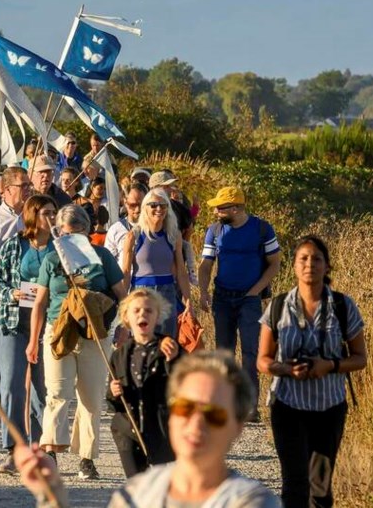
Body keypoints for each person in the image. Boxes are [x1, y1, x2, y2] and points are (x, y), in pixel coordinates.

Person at [15, 350, 280, 508]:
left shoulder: (251, 502)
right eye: (185, 408)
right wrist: (52, 494)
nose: (196, 422)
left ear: (238, 426)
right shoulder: (135, 493)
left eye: (213, 413)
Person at [257, 235, 367, 508]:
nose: (310, 264)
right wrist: (285, 368)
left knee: (320, 488)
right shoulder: (279, 306)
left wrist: (329, 365)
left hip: (328, 408)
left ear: (327, 267)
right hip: (288, 404)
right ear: (293, 266)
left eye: (317, 259)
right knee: (294, 484)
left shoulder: (343, 306)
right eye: (303, 259)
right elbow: (262, 360)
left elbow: (360, 358)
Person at [27, 204, 128, 480]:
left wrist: (124, 326)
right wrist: (33, 340)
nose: (70, 238)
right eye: (65, 232)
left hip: (94, 332)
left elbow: (122, 293)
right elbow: (39, 302)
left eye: (76, 232)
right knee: (57, 393)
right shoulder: (51, 259)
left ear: (87, 230)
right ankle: (50, 453)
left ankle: (86, 457)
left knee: (92, 398)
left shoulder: (103, 256)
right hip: (58, 331)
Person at [0, 194, 57, 474]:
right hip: (14, 320)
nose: (52, 218)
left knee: (43, 388)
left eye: (54, 213)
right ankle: (14, 448)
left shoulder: (59, 247)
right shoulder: (14, 245)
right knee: (12, 385)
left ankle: (41, 447)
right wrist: (9, 293)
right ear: (33, 215)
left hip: (48, 323)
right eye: (46, 213)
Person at [198, 187, 281, 417]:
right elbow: (206, 264)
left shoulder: (262, 229)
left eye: (221, 207)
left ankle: (249, 406)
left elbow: (274, 263)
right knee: (224, 351)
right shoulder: (214, 231)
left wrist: (255, 291)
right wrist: (204, 291)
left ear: (235, 208)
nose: (215, 211)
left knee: (250, 352)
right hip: (222, 297)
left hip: (249, 299)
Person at [107, 288, 181, 478]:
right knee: (136, 485)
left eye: (149, 311)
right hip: (127, 430)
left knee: (161, 486)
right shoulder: (119, 356)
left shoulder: (169, 347)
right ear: (126, 318)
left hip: (160, 431)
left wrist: (173, 359)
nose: (142, 314)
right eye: (136, 310)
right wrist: (113, 392)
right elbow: (112, 403)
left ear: (157, 317)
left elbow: (186, 383)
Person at [120, 188, 195, 341]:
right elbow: (126, 271)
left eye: (163, 205)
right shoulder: (134, 235)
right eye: (153, 205)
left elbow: (181, 271)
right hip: (140, 292)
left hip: (167, 292)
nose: (158, 209)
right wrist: (122, 303)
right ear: (145, 208)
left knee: (167, 343)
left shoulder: (174, 235)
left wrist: (188, 301)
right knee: (142, 341)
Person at [0, 166, 31, 259]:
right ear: (8, 189)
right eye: (23, 185)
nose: (28, 189)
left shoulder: (34, 214)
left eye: (29, 185)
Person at [105, 184, 148, 265]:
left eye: (141, 205)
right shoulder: (115, 229)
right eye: (133, 205)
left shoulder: (154, 227)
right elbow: (108, 262)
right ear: (125, 202)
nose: (138, 209)